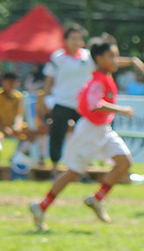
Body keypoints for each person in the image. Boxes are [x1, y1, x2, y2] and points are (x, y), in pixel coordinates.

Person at [29, 40, 135, 231]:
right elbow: (96, 103)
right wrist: (122, 110)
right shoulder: (97, 80)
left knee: (125, 162)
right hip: (89, 130)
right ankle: (41, 206)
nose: (115, 60)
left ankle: (96, 199)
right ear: (100, 59)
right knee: (73, 173)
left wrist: (133, 61)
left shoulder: (105, 76)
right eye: (112, 56)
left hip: (103, 129)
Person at [41, 25, 144, 169]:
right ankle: (55, 166)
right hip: (62, 101)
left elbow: (110, 60)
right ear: (65, 40)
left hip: (81, 106)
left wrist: (132, 61)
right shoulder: (57, 57)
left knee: (86, 135)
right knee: (57, 133)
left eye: (79, 38)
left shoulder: (87, 56)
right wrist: (45, 100)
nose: (76, 42)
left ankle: (84, 165)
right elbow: (49, 80)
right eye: (73, 38)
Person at [0, 71, 35, 165]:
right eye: (8, 82)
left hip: (13, 126)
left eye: (13, 83)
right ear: (3, 82)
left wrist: (17, 125)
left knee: (31, 134)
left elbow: (19, 114)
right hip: (0, 126)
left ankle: (17, 155)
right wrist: (4, 128)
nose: (10, 85)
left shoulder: (18, 96)